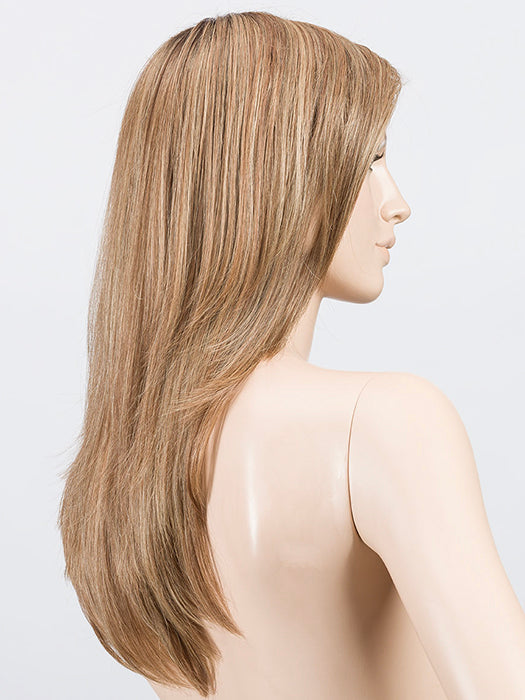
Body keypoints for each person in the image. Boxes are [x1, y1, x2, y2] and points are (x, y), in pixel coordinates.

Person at [57, 11, 525, 699]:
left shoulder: (127, 470)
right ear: (286, 183)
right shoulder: (384, 422)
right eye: (368, 161)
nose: (396, 203)